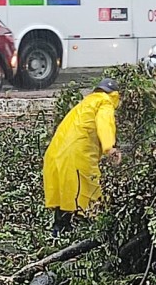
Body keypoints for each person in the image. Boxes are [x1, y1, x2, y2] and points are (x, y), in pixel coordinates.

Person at [43, 78, 122, 236]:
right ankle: (87, 236)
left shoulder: (83, 105)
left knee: (65, 198)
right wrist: (109, 148)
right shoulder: (104, 103)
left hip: (56, 156)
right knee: (89, 196)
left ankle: (59, 235)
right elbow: (104, 123)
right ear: (114, 94)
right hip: (78, 156)